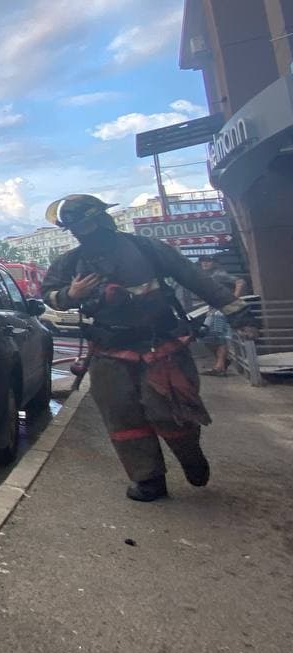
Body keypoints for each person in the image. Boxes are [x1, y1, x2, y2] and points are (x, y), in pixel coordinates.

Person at [40, 194, 252, 502]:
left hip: (160, 344)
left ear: (100, 219)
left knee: (169, 410)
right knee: (122, 416)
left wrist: (238, 314)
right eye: (74, 229)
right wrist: (71, 294)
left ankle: (190, 456)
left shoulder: (145, 248)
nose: (81, 233)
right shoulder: (70, 262)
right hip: (108, 350)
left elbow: (195, 279)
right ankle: (148, 479)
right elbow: (50, 295)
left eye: (84, 225)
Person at [197, 256, 243, 377]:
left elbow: (240, 281)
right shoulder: (207, 276)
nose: (205, 263)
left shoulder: (219, 274)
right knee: (205, 335)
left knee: (218, 336)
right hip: (213, 309)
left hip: (221, 309)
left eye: (208, 261)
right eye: (203, 261)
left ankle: (220, 365)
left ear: (214, 263)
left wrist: (233, 298)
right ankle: (222, 361)